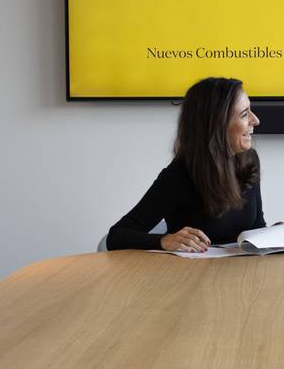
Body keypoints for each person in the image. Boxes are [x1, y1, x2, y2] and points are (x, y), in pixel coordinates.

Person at [107, 77, 263, 252]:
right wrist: (164, 241)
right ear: (217, 123)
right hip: (190, 275)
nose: (255, 120)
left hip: (242, 273)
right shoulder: (179, 175)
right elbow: (116, 237)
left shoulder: (249, 160)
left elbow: (255, 226)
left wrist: (276, 233)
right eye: (244, 114)